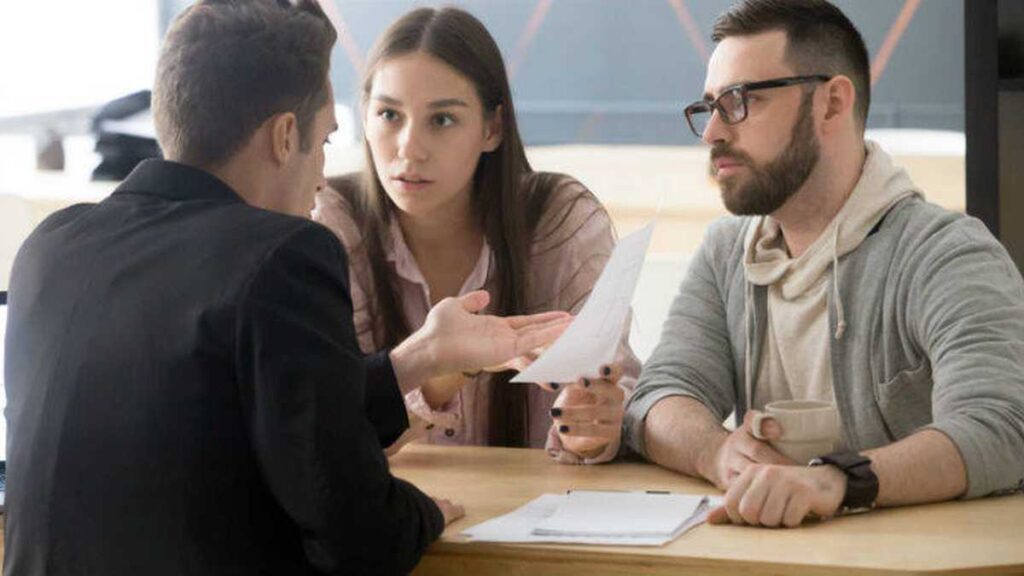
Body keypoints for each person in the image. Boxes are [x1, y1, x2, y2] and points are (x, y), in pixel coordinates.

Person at [2, 2, 569, 575]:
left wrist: (419, 358)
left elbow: (261, 425)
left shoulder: (49, 248)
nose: (322, 175)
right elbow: (358, 532)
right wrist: (423, 513)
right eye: (323, 142)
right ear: (284, 136)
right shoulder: (280, 256)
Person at [623, 0, 1024, 528]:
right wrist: (718, 453)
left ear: (832, 104)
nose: (712, 132)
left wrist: (836, 480)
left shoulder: (947, 253)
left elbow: (1003, 426)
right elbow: (659, 397)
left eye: (741, 101)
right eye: (710, 106)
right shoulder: (726, 252)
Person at [313, 6, 640, 463]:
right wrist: (438, 370)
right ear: (364, 118)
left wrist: (594, 428)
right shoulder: (331, 223)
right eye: (389, 115)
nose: (409, 148)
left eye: (442, 120)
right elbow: (323, 429)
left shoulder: (560, 219)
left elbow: (615, 383)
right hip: (394, 519)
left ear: (492, 128)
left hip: (538, 514)